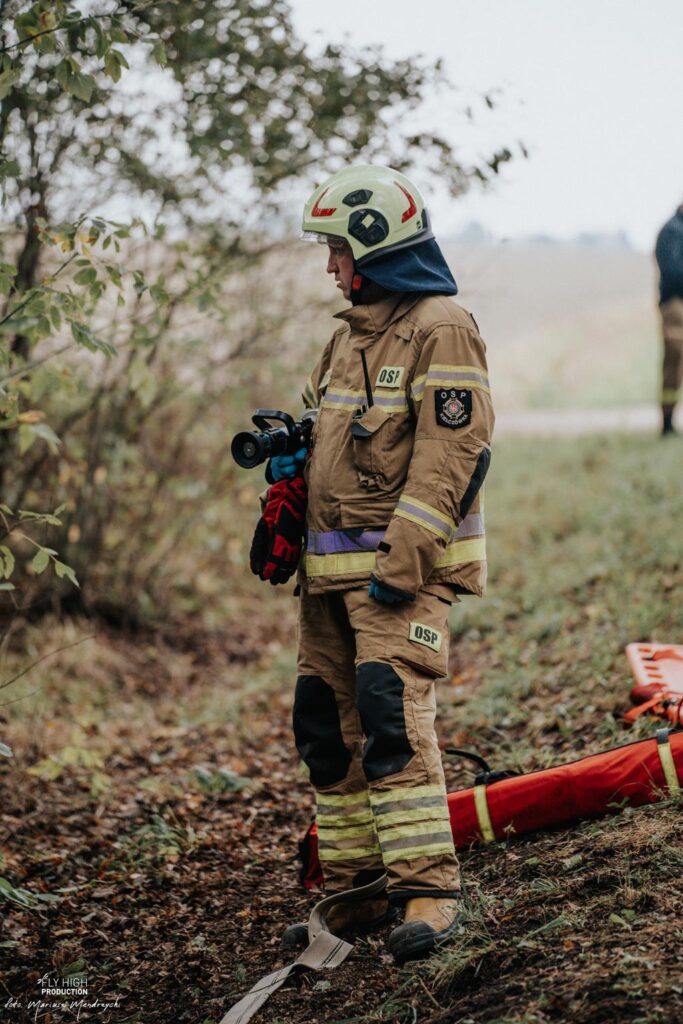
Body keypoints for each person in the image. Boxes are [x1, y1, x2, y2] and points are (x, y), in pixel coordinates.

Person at [270, 165, 494, 963]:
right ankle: (358, 889)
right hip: (328, 580)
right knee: (324, 727)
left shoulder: (442, 327)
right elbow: (332, 438)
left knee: (391, 719)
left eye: (337, 250)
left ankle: (427, 890)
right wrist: (289, 480)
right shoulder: (347, 335)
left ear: (374, 247)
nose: (329, 266)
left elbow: (451, 453)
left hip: (399, 576)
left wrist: (403, 564)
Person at [654, 204, 683, 435]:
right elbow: (673, 272)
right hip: (675, 305)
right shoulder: (673, 231)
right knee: (674, 362)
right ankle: (667, 421)